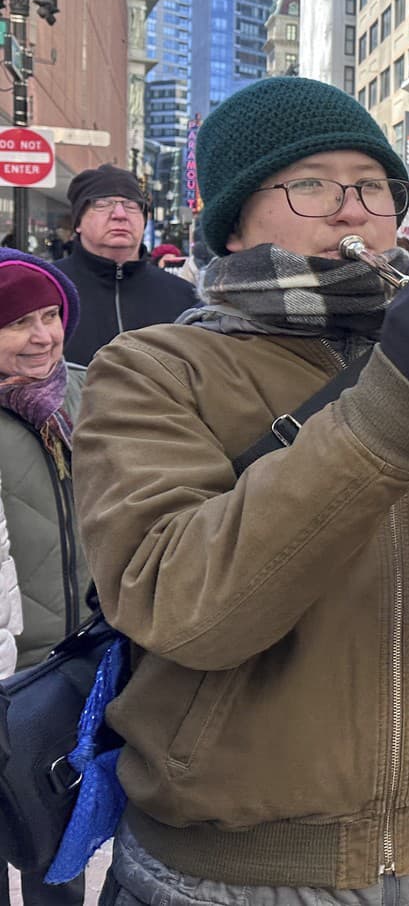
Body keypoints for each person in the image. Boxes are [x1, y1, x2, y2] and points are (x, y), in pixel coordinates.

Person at [73, 77, 409, 903]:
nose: (353, 210)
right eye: (312, 184)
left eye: (373, 186)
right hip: (232, 878)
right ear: (233, 215)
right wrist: (395, 395)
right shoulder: (153, 369)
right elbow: (182, 604)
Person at [0, 247, 92, 906]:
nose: (42, 336)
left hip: (73, 667)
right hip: (4, 662)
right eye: (16, 322)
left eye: (48, 316)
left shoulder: (91, 394)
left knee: (60, 843)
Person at [53, 166, 197, 366]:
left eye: (131, 205)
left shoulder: (184, 297)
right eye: (102, 204)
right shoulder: (48, 288)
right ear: (78, 222)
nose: (119, 214)